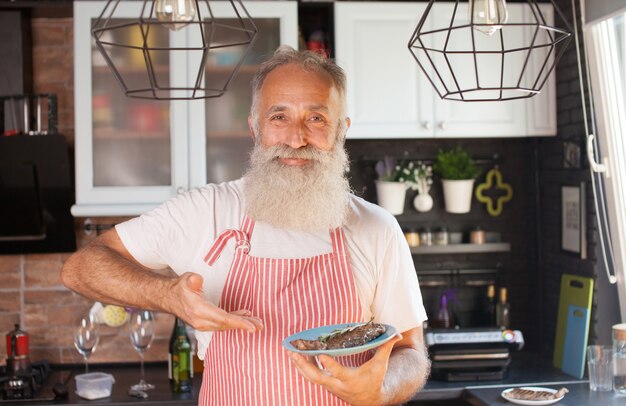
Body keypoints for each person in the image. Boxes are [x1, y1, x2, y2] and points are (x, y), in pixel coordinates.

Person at [62, 45, 430, 406]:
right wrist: (168, 295)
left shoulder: (376, 228)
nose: (296, 138)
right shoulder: (205, 212)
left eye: (316, 119)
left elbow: (411, 352)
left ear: (341, 131)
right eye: (279, 117)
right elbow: (81, 269)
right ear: (255, 128)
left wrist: (380, 390)